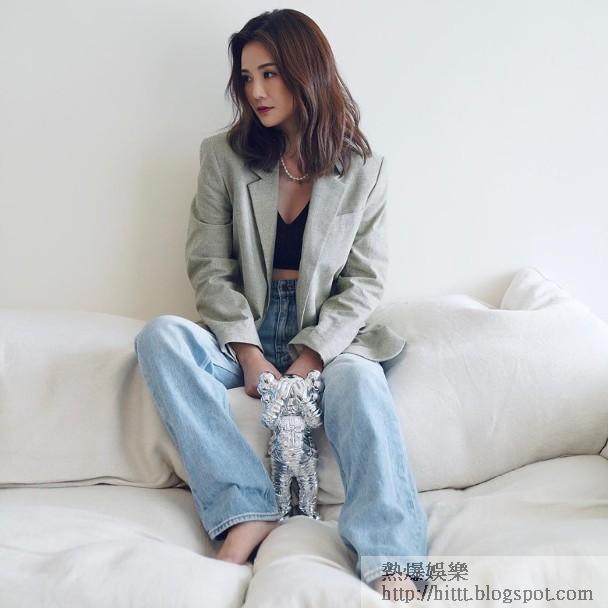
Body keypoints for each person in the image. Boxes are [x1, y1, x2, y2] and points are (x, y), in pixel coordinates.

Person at [133, 8, 427, 598]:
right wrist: (248, 354)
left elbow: (365, 281)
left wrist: (312, 356)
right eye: (247, 78)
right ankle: (245, 509)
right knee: (159, 336)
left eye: (270, 74)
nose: (256, 91)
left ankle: (391, 555)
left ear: (306, 73)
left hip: (327, 333)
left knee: (359, 380)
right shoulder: (223, 156)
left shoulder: (363, 169)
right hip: (242, 327)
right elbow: (209, 266)